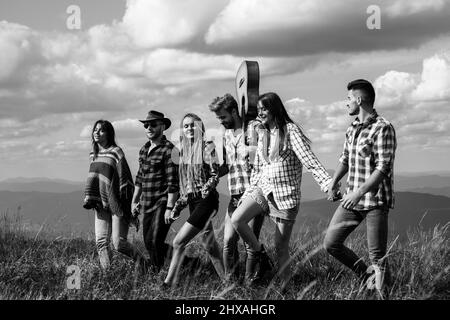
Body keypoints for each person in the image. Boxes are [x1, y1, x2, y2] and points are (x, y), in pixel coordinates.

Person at [231, 92, 332, 289]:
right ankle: (260, 254)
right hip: (262, 188)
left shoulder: (290, 130)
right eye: (259, 109)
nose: (260, 113)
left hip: (284, 195)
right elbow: (259, 167)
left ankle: (286, 288)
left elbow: (308, 159)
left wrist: (327, 183)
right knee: (237, 219)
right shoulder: (262, 133)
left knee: (280, 247)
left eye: (264, 109)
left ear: (275, 109)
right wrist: (247, 193)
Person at [323, 79, 397, 299]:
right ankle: (367, 277)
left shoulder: (383, 127)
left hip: (374, 200)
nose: (346, 103)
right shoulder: (353, 127)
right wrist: (334, 182)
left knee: (378, 256)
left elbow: (383, 167)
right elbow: (345, 158)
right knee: (331, 243)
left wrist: (358, 193)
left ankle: (384, 294)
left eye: (348, 99)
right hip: (352, 199)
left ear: (359, 99)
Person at [162, 113, 225, 287]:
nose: (190, 128)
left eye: (193, 125)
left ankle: (169, 283)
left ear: (200, 127)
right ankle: (229, 284)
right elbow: (186, 188)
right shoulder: (182, 152)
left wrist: (208, 186)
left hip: (207, 200)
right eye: (186, 126)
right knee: (210, 247)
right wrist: (177, 207)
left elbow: (215, 174)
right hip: (193, 203)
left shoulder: (207, 146)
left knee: (178, 242)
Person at [208, 94, 265, 283]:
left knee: (250, 243)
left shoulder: (253, 128)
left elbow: (266, 155)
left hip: (253, 193)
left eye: (223, 117)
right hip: (234, 194)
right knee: (228, 242)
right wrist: (214, 174)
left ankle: (252, 284)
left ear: (234, 111)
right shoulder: (226, 135)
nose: (221, 121)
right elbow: (228, 165)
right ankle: (231, 284)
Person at [83, 120, 147, 272]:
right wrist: (91, 197)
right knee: (101, 242)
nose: (97, 133)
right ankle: (108, 275)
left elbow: (125, 178)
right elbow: (95, 180)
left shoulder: (116, 152)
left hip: (117, 202)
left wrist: (130, 202)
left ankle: (144, 265)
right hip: (100, 204)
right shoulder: (93, 154)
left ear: (109, 134)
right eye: (95, 130)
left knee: (118, 244)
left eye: (101, 130)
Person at [131, 110, 179, 272]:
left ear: (163, 126)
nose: (149, 127)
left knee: (155, 240)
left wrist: (169, 207)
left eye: (153, 124)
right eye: (146, 125)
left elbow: (173, 182)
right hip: (147, 203)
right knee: (148, 242)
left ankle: (156, 273)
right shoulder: (144, 149)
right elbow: (140, 178)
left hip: (162, 201)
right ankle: (186, 261)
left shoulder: (170, 150)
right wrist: (135, 201)